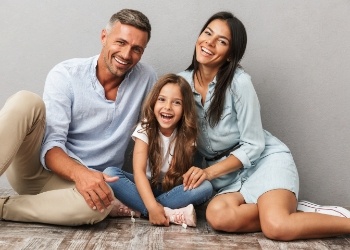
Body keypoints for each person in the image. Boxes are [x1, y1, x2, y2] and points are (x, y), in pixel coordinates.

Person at [178, 11, 350, 240]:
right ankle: (294, 212)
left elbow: (254, 145)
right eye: (207, 33)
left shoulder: (240, 82)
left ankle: (336, 222)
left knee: (276, 228)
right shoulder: (180, 83)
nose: (209, 42)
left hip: (263, 161)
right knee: (218, 217)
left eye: (222, 41)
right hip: (226, 176)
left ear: (230, 55)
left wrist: (207, 173)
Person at [0, 9, 157, 226]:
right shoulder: (66, 74)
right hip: (39, 170)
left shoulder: (146, 79)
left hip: (82, 187)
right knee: (25, 100)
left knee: (98, 207)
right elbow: (52, 145)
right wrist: (80, 173)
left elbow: (154, 132)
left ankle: (3, 207)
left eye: (137, 49)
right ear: (104, 37)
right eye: (120, 42)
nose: (126, 55)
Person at [103, 74, 213, 228]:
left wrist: (154, 204)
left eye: (176, 102)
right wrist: (152, 206)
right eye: (162, 99)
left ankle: (138, 209)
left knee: (206, 187)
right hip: (144, 187)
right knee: (110, 174)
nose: (167, 107)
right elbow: (139, 172)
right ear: (154, 102)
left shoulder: (188, 134)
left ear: (185, 108)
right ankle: (167, 213)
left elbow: (182, 177)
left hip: (172, 189)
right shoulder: (146, 127)